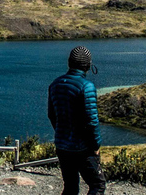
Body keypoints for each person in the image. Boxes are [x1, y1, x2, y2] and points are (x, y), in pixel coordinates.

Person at [47, 46, 105, 195]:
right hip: (82, 147)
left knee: (70, 186)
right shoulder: (87, 87)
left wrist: (62, 134)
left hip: (62, 145)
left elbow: (52, 115)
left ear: (70, 63)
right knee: (97, 185)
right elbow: (92, 121)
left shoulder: (55, 84)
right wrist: (95, 145)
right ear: (88, 65)